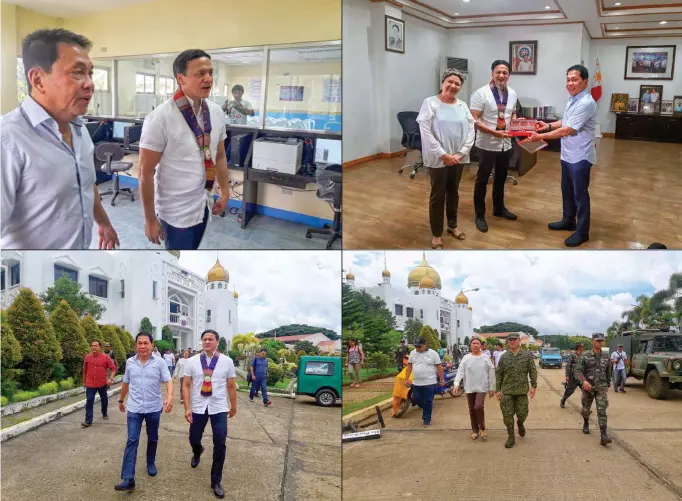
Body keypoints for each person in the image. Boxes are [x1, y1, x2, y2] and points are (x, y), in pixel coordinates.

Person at [1, 29, 119, 250]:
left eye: (90, 73)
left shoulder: (80, 130)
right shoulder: (8, 140)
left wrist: (103, 222)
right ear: (38, 80)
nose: (90, 84)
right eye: (77, 73)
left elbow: (86, 183)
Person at [138, 49, 229, 250]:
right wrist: (150, 220)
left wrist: (224, 192)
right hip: (176, 212)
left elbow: (220, 156)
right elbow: (145, 173)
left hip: (204, 202)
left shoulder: (216, 112)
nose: (208, 79)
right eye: (200, 74)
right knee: (178, 262)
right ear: (181, 78)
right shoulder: (160, 118)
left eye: (210, 73)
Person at [530, 64, 597, 248]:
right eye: (568, 79)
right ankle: (568, 220)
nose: (569, 83)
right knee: (566, 190)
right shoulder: (573, 98)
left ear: (585, 81)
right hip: (567, 155)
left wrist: (540, 136)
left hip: (580, 156)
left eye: (574, 79)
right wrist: (547, 126)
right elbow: (565, 121)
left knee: (580, 195)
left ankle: (583, 232)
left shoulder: (586, 102)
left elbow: (567, 130)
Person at [416, 69, 475, 249]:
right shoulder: (430, 103)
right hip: (438, 158)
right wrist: (443, 154)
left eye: (457, 84)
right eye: (450, 81)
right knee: (438, 195)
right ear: (442, 83)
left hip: (458, 158)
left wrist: (461, 153)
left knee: (453, 192)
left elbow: (471, 130)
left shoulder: (463, 106)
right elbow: (425, 132)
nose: (453, 86)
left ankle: (452, 225)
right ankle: (436, 234)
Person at [182, 330, 237, 499]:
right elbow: (186, 385)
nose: (207, 342)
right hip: (198, 406)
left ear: (217, 342)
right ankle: (197, 451)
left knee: (220, 442)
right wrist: (187, 407)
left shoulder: (227, 362)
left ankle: (216, 481)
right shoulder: (191, 361)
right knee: (193, 438)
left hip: (218, 407)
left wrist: (233, 405)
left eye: (210, 339)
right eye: (204, 339)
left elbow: (231, 386)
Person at [115, 332, 173, 492]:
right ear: (136, 346)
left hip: (154, 408)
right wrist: (121, 400)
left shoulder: (159, 362)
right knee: (132, 440)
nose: (142, 346)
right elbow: (126, 383)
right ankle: (128, 478)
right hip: (134, 408)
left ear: (152, 345)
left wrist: (170, 396)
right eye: (139, 343)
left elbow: (168, 380)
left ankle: (150, 462)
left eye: (145, 343)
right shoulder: (130, 362)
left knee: (153, 438)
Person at [469, 60, 518, 234]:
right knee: (482, 180)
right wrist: (494, 132)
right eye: (498, 72)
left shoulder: (512, 93)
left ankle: (498, 209)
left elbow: (511, 112)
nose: (501, 75)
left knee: (501, 178)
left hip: (505, 143)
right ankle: (479, 215)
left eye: (505, 73)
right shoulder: (480, 93)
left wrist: (514, 120)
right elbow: (474, 119)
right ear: (492, 73)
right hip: (487, 144)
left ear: (509, 75)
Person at [495, 332, 537, 448]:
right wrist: (498, 390)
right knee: (507, 416)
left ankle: (520, 423)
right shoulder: (504, 357)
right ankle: (511, 437)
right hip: (507, 391)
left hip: (522, 391)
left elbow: (532, 371)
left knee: (522, 414)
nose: (512, 342)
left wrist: (534, 386)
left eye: (514, 339)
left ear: (519, 341)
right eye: (510, 340)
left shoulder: (527, 355)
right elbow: (499, 374)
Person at [453, 338, 496, 440]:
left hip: (482, 387)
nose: (475, 345)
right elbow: (460, 371)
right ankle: (475, 430)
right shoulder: (466, 358)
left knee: (478, 406)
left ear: (480, 345)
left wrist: (492, 388)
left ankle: (482, 429)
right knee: (472, 409)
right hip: (469, 387)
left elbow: (491, 373)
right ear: (470, 345)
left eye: (477, 343)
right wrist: (456, 384)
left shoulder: (485, 358)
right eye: (473, 343)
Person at [575, 333, 612, 446]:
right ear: (593, 341)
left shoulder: (606, 356)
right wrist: (584, 381)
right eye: (598, 341)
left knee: (602, 410)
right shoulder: (585, 356)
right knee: (586, 409)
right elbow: (578, 371)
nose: (600, 343)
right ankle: (586, 422)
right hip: (588, 388)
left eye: (602, 341)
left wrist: (608, 383)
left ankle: (603, 435)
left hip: (601, 387)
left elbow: (608, 371)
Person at [404, 338, 445, 427]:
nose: (417, 348)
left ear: (424, 345)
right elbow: (409, 366)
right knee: (415, 399)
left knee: (428, 401)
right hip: (416, 382)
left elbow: (439, 367)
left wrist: (441, 379)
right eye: (416, 346)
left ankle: (427, 420)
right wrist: (406, 378)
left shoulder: (433, 353)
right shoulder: (413, 353)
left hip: (430, 382)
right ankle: (427, 409)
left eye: (419, 346)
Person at [82, 340, 117, 427]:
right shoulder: (87, 358)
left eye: (96, 345)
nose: (94, 347)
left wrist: (111, 379)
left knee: (104, 399)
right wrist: (84, 382)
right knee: (89, 400)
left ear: (100, 347)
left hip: (102, 383)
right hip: (90, 384)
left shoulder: (105, 357)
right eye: (92, 345)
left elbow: (113, 368)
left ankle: (104, 412)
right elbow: (85, 371)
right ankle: (88, 421)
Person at [560, 343, 584, 408]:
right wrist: (567, 376)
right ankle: (563, 401)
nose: (581, 351)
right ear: (576, 350)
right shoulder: (572, 356)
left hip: (582, 378)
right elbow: (568, 366)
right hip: (573, 377)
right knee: (569, 391)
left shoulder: (583, 356)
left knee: (585, 392)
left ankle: (586, 407)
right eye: (580, 350)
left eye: (582, 350)